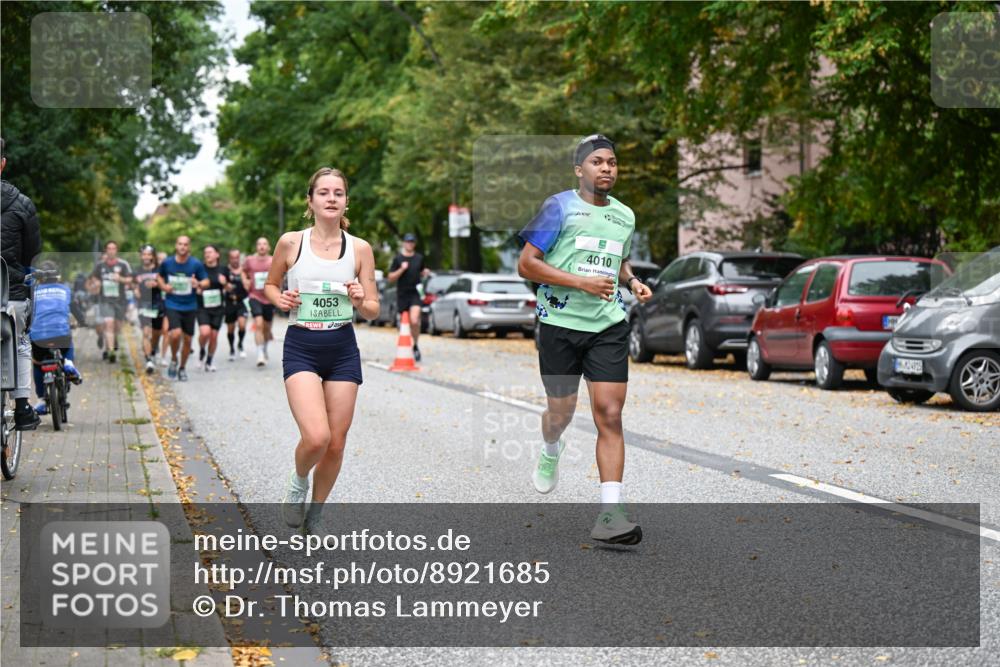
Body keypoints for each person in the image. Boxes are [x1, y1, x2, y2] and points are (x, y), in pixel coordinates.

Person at [517, 134, 653, 545]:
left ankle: (611, 514)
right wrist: (580, 283)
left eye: (612, 162)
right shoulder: (559, 207)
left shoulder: (624, 215)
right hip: (559, 323)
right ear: (580, 170)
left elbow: (619, 257)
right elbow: (528, 264)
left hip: (607, 326)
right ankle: (551, 444)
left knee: (609, 414)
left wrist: (631, 281)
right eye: (597, 162)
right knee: (560, 412)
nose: (607, 168)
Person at [266, 167, 379, 532]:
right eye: (324, 192)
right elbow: (270, 285)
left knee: (336, 443)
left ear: (346, 201)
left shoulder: (359, 248)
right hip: (302, 345)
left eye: (339, 193)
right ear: (310, 200)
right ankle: (298, 483)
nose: (331, 198)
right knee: (317, 437)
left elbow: (373, 309)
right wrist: (281, 297)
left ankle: (316, 512)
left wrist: (362, 299)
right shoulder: (290, 243)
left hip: (342, 348)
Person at [0, 137, 43, 430]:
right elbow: (31, 254)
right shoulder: (22, 203)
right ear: (3, 164)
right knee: (20, 342)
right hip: (10, 293)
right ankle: (23, 406)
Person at [28, 261, 82, 415]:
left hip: (38, 336)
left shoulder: (33, 291)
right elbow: (75, 309)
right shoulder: (65, 289)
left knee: (37, 363)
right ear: (57, 276)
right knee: (68, 342)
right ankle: (69, 363)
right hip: (61, 334)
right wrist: (82, 321)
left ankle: (41, 401)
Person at [157, 236, 209, 382]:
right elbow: (159, 277)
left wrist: (197, 283)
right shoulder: (167, 263)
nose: (182, 247)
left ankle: (182, 368)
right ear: (176, 245)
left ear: (189, 247)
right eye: (180, 244)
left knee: (187, 340)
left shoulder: (196, 264)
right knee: (175, 334)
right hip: (172, 304)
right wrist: (164, 287)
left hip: (190, 306)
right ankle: (174, 359)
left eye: (185, 244)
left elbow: (206, 281)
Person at [387, 233, 429, 361]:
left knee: (415, 320)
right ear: (404, 243)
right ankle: (406, 343)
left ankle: (415, 345)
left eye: (412, 242)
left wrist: (425, 272)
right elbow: (390, 278)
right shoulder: (398, 259)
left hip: (415, 293)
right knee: (404, 323)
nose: (410, 244)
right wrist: (401, 269)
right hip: (402, 294)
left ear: (414, 244)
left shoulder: (419, 258)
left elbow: (422, 271)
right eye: (407, 241)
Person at [90, 240, 132, 363]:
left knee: (117, 327)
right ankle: (112, 352)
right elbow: (93, 277)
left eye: (113, 248)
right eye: (109, 248)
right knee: (109, 323)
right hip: (105, 300)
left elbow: (130, 279)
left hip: (120, 301)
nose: (111, 251)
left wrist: (121, 279)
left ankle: (111, 345)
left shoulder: (123, 264)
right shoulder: (100, 265)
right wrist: (96, 282)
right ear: (106, 250)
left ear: (116, 250)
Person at [195, 244, 229, 372]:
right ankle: (202, 350)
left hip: (218, 308)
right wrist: (197, 288)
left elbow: (230, 288)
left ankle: (209, 361)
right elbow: (194, 284)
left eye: (210, 252)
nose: (207, 254)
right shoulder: (200, 269)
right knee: (205, 333)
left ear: (217, 254)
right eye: (206, 252)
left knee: (214, 336)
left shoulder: (223, 270)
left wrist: (225, 283)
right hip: (202, 306)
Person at [244, 237, 275, 367]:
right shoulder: (249, 260)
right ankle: (260, 354)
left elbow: (281, 274)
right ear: (256, 247)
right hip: (254, 296)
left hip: (269, 298)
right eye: (259, 244)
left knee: (267, 329)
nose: (262, 246)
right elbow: (243, 271)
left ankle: (264, 347)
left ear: (268, 247)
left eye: (264, 244)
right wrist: (245, 280)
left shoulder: (273, 260)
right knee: (259, 323)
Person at [133, 244, 164, 374]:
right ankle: (148, 360)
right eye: (144, 254)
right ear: (141, 256)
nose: (146, 257)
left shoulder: (159, 270)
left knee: (156, 332)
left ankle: (154, 348)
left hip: (157, 303)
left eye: (148, 254)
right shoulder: (137, 271)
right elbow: (133, 283)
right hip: (143, 304)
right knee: (146, 332)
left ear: (152, 256)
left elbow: (165, 285)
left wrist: (157, 284)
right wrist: (135, 290)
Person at [223, 248, 249, 361]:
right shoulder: (225, 270)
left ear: (239, 258)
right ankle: (232, 348)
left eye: (236, 257)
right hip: (229, 302)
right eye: (232, 257)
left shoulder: (244, 270)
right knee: (230, 329)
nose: (235, 260)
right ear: (229, 258)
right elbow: (221, 283)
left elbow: (249, 285)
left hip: (242, 302)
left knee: (242, 325)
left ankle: (240, 344)